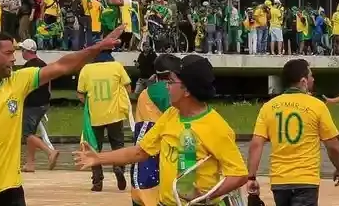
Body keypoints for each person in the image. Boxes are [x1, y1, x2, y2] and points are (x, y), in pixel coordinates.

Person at [0, 26, 124, 206]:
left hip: (11, 190)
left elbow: (63, 66)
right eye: (8, 54)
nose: (14, 59)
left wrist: (98, 47)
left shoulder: (19, 81)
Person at [75, 54, 248, 206]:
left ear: (187, 90)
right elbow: (139, 152)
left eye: (171, 82)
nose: (166, 86)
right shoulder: (171, 115)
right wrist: (98, 158)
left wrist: (207, 197)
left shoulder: (216, 127)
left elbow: (238, 174)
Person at [247, 59, 339, 206]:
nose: (313, 79)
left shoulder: (268, 107)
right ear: (303, 81)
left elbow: (256, 144)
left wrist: (251, 177)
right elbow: (333, 146)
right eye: (311, 75)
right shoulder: (317, 106)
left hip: (279, 181)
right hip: (306, 181)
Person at [77, 48, 132, 192]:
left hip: (95, 116)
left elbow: (81, 95)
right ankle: (118, 167)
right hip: (115, 114)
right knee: (118, 145)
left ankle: (97, 182)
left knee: (94, 148)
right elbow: (128, 89)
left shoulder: (86, 69)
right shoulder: (117, 66)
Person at [130, 53, 179, 206]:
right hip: (153, 156)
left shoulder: (149, 90)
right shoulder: (162, 90)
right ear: (171, 75)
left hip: (145, 155)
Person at [17, 39, 59, 173]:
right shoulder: (43, 64)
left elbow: (23, 87)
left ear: (26, 51)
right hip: (44, 104)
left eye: (22, 50)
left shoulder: (28, 67)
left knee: (27, 134)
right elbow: (50, 84)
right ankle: (30, 164)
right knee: (31, 133)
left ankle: (49, 152)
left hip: (32, 105)